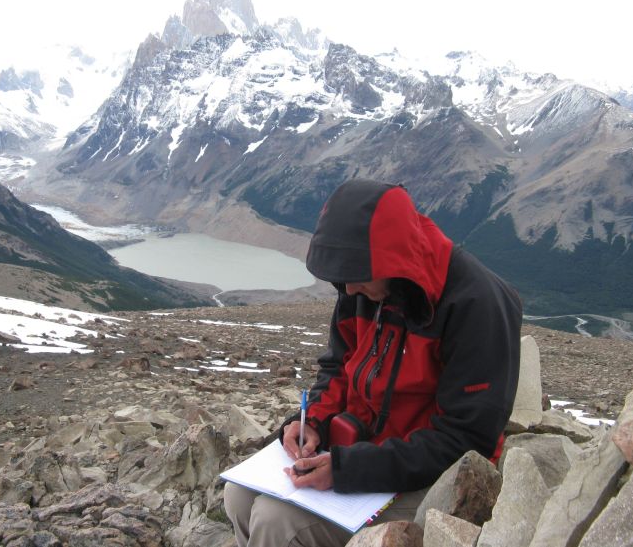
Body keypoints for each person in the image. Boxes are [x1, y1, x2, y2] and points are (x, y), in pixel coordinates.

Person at [224, 179, 522, 547]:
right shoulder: (364, 276)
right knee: (237, 496)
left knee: (278, 522)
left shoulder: (477, 305)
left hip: (435, 475)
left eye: (355, 281)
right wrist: (313, 420)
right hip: (367, 451)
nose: (348, 292)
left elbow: (465, 440)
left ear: (392, 258)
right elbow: (337, 367)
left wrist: (349, 470)